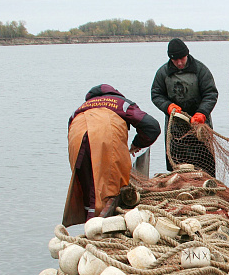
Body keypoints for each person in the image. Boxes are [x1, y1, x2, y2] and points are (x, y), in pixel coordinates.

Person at [63, 84, 161, 226]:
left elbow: (70, 125)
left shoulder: (81, 107)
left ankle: (90, 224)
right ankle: (103, 225)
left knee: (87, 183)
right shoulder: (122, 103)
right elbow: (152, 126)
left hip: (76, 136)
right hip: (104, 134)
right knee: (111, 185)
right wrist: (138, 143)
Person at [151, 38, 218, 173]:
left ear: (187, 54)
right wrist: (168, 106)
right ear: (170, 59)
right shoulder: (163, 73)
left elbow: (211, 94)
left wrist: (202, 112)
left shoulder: (201, 70)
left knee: (205, 163)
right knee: (177, 164)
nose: (180, 63)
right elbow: (156, 95)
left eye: (182, 58)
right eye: (176, 60)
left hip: (199, 124)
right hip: (175, 125)